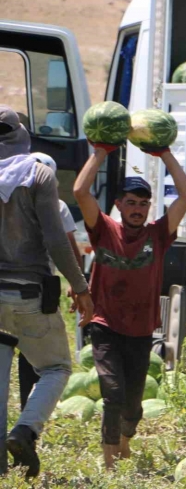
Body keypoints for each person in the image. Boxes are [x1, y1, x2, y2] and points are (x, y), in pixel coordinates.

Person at [73, 140, 186, 469]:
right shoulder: (103, 230)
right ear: (119, 205)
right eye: (130, 203)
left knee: (133, 404)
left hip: (141, 330)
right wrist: (100, 152)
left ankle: (125, 440)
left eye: (143, 203)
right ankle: (109, 462)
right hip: (105, 325)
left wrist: (164, 154)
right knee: (112, 392)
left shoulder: (158, 234)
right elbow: (80, 191)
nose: (137, 208)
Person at [0, 105, 94, 477]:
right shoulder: (38, 174)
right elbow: (56, 239)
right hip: (29, 295)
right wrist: (81, 287)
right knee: (55, 367)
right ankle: (25, 430)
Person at [18, 153, 85, 412]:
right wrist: (78, 284)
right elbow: (67, 246)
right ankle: (27, 416)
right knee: (39, 357)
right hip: (40, 289)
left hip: (8, 286)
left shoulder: (8, 197)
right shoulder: (57, 206)